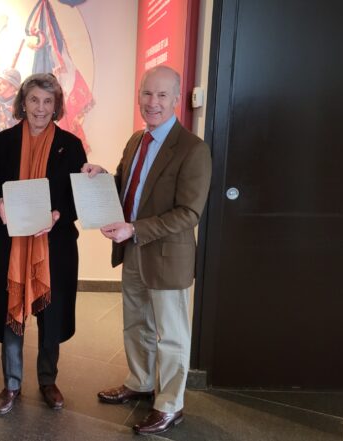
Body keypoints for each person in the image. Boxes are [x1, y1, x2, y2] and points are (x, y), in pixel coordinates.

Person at [82, 65, 212, 435]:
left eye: (161, 95)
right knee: (136, 322)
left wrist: (135, 228)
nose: (152, 102)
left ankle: (170, 405)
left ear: (176, 99)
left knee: (170, 335)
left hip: (167, 257)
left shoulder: (193, 149)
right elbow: (129, 187)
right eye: (147, 93)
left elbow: (188, 213)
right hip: (133, 250)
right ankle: (139, 381)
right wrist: (102, 177)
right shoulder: (136, 140)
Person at [0, 73, 87, 415]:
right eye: (34, 100)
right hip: (10, 246)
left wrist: (59, 214)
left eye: (48, 101)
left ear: (56, 106)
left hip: (53, 246)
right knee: (11, 311)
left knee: (50, 315)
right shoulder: (2, 142)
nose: (40, 108)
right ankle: (11, 383)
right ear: (23, 103)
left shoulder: (71, 145)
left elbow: (78, 196)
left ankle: (48, 380)